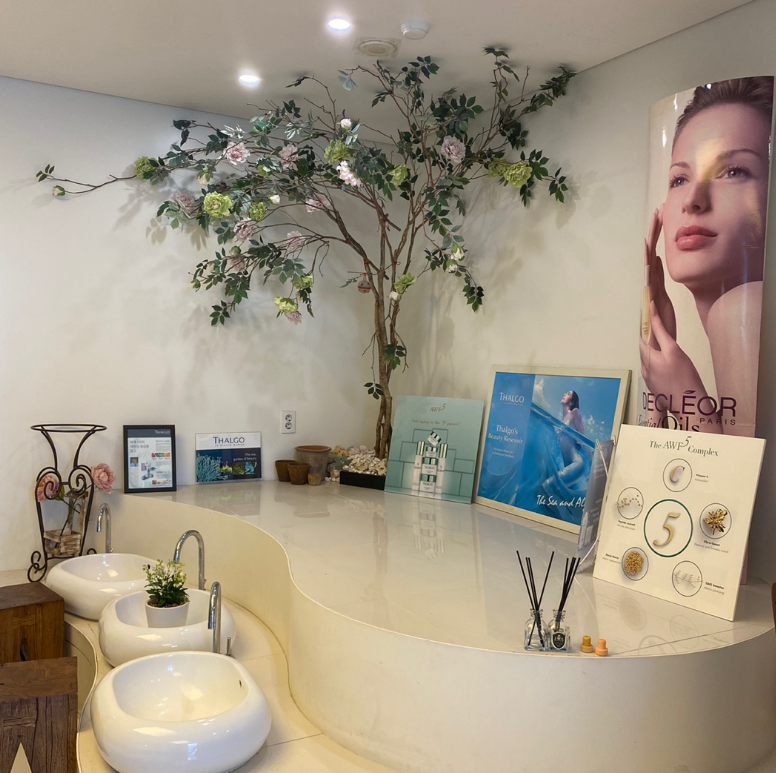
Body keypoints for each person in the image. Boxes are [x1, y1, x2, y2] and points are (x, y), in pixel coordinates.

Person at [640, 77, 773, 436]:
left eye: (733, 172)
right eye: (679, 179)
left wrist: (684, 397)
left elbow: (744, 473)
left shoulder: (745, 308)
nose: (692, 200)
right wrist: (658, 393)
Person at [557, 390, 586, 484]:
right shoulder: (561, 421)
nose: (564, 394)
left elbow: (583, 437)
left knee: (544, 486)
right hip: (567, 468)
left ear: (571, 402)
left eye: (568, 394)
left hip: (576, 465)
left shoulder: (574, 412)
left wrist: (593, 463)